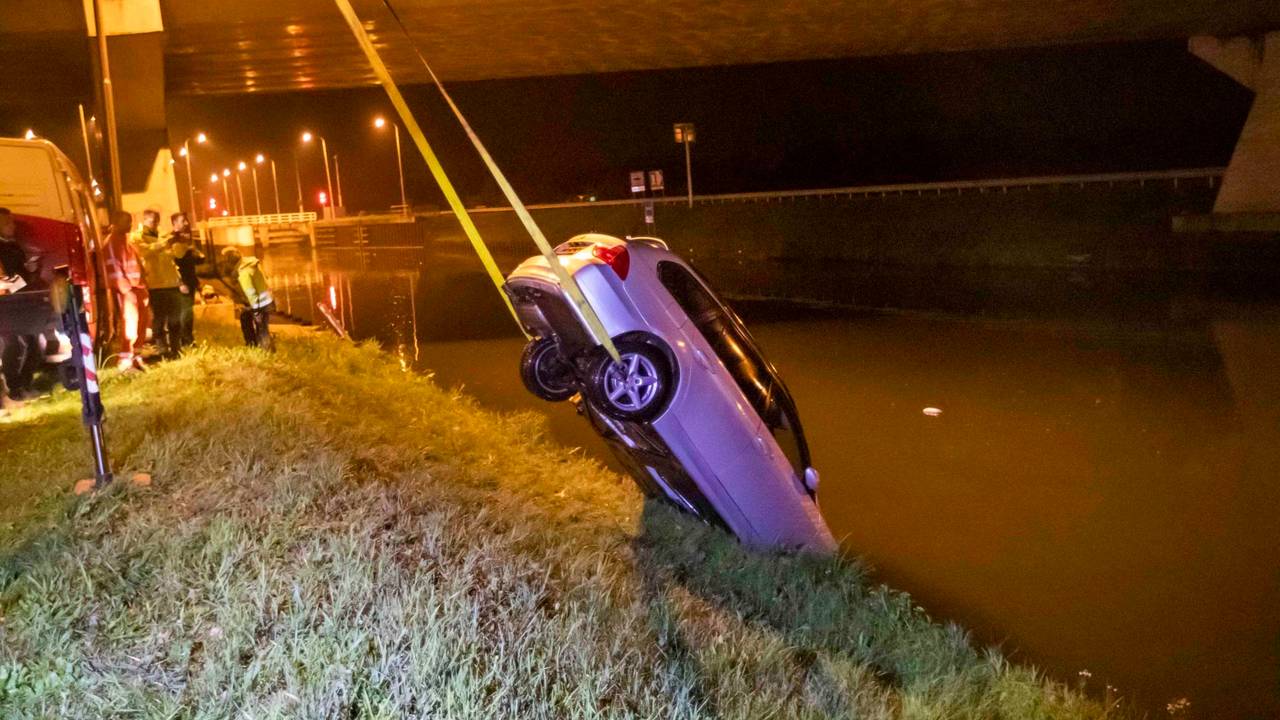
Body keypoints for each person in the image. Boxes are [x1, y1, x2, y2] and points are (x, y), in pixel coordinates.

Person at [0, 208, 42, 406]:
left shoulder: (13, 246)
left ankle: (24, 386)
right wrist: (25, 277)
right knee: (16, 345)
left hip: (21, 302)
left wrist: (29, 271)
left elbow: (18, 274)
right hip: (6, 306)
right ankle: (15, 389)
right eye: (8, 223)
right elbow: (4, 283)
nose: (13, 226)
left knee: (32, 343)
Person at [134, 209, 182, 358]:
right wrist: (164, 244)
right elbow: (144, 253)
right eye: (152, 221)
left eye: (156, 221)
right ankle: (162, 349)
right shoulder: (137, 237)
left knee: (175, 319)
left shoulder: (164, 235)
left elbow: (176, 255)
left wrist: (179, 242)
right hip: (155, 283)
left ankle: (176, 348)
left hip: (171, 282)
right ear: (145, 220)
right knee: (159, 319)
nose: (155, 224)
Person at [104, 210, 148, 371]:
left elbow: (138, 266)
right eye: (126, 222)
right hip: (127, 291)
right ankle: (125, 362)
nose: (130, 225)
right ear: (115, 223)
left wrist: (143, 288)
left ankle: (136, 357)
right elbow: (114, 269)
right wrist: (127, 291)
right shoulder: (111, 243)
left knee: (141, 326)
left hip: (138, 289)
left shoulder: (126, 242)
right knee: (130, 327)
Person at [221, 247, 274, 351]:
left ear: (230, 262)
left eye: (225, 261)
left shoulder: (243, 272)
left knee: (260, 328)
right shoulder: (250, 264)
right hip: (264, 298)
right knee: (256, 324)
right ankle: (256, 347)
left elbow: (250, 292)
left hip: (259, 302)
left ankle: (263, 350)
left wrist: (253, 308)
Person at [167, 212, 202, 348]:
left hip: (189, 279)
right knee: (185, 312)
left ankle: (188, 338)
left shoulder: (185, 239)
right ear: (175, 223)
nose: (186, 223)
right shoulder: (173, 240)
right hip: (182, 282)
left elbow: (188, 260)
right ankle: (185, 340)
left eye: (186, 220)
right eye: (183, 221)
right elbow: (174, 263)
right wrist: (180, 282)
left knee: (188, 311)